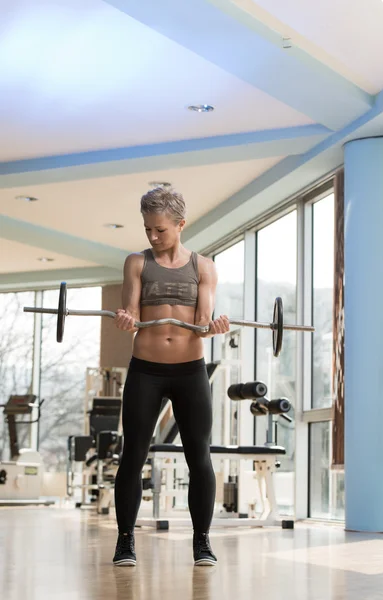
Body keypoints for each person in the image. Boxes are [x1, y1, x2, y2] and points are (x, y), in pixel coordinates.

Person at [112, 186, 230, 568]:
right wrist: (127, 319)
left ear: (181, 225)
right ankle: (125, 541)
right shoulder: (137, 262)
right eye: (148, 229)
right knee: (134, 454)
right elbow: (131, 312)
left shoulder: (204, 267)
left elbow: (201, 322)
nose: (152, 236)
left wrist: (213, 329)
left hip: (190, 372)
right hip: (146, 370)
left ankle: (202, 542)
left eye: (160, 230)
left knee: (200, 457)